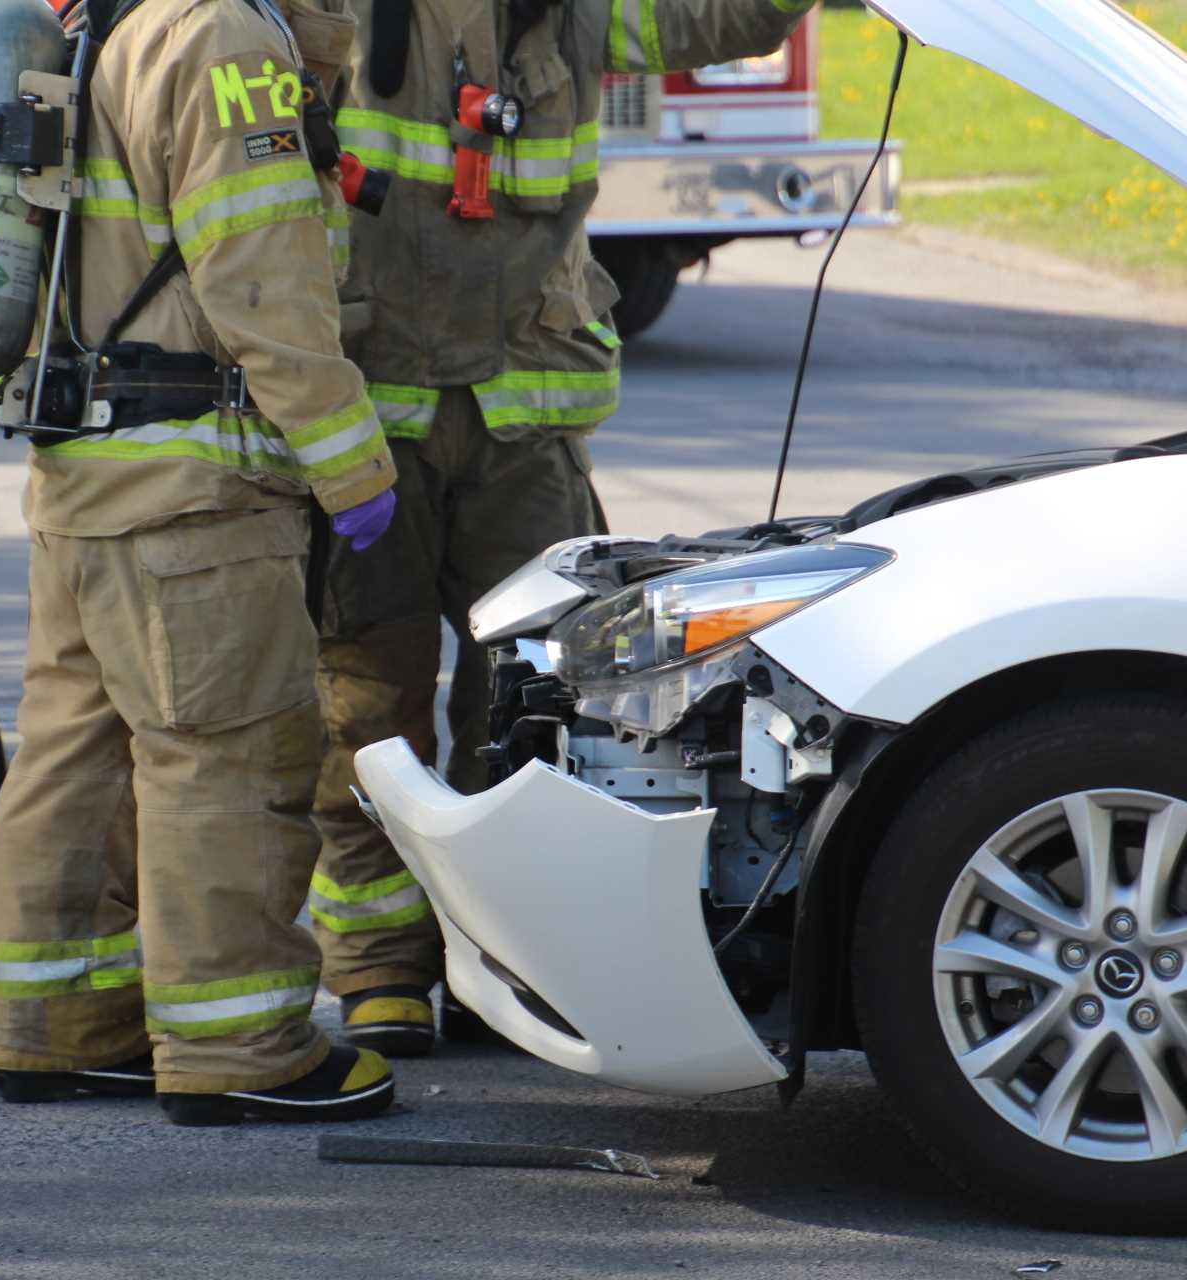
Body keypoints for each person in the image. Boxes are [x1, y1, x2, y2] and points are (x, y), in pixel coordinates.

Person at [310, 0, 822, 1057]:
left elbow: (730, 17)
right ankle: (379, 965)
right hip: (375, 416)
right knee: (365, 694)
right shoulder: (338, 14)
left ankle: (504, 959)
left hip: (525, 420)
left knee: (530, 703)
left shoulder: (579, 11)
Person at [0, 0, 401, 1126]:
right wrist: (351, 463)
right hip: (193, 493)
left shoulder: (103, 17)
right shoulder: (223, 37)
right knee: (226, 755)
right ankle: (241, 1044)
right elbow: (260, 274)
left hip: (82, 477)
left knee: (73, 753)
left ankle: (52, 1024)